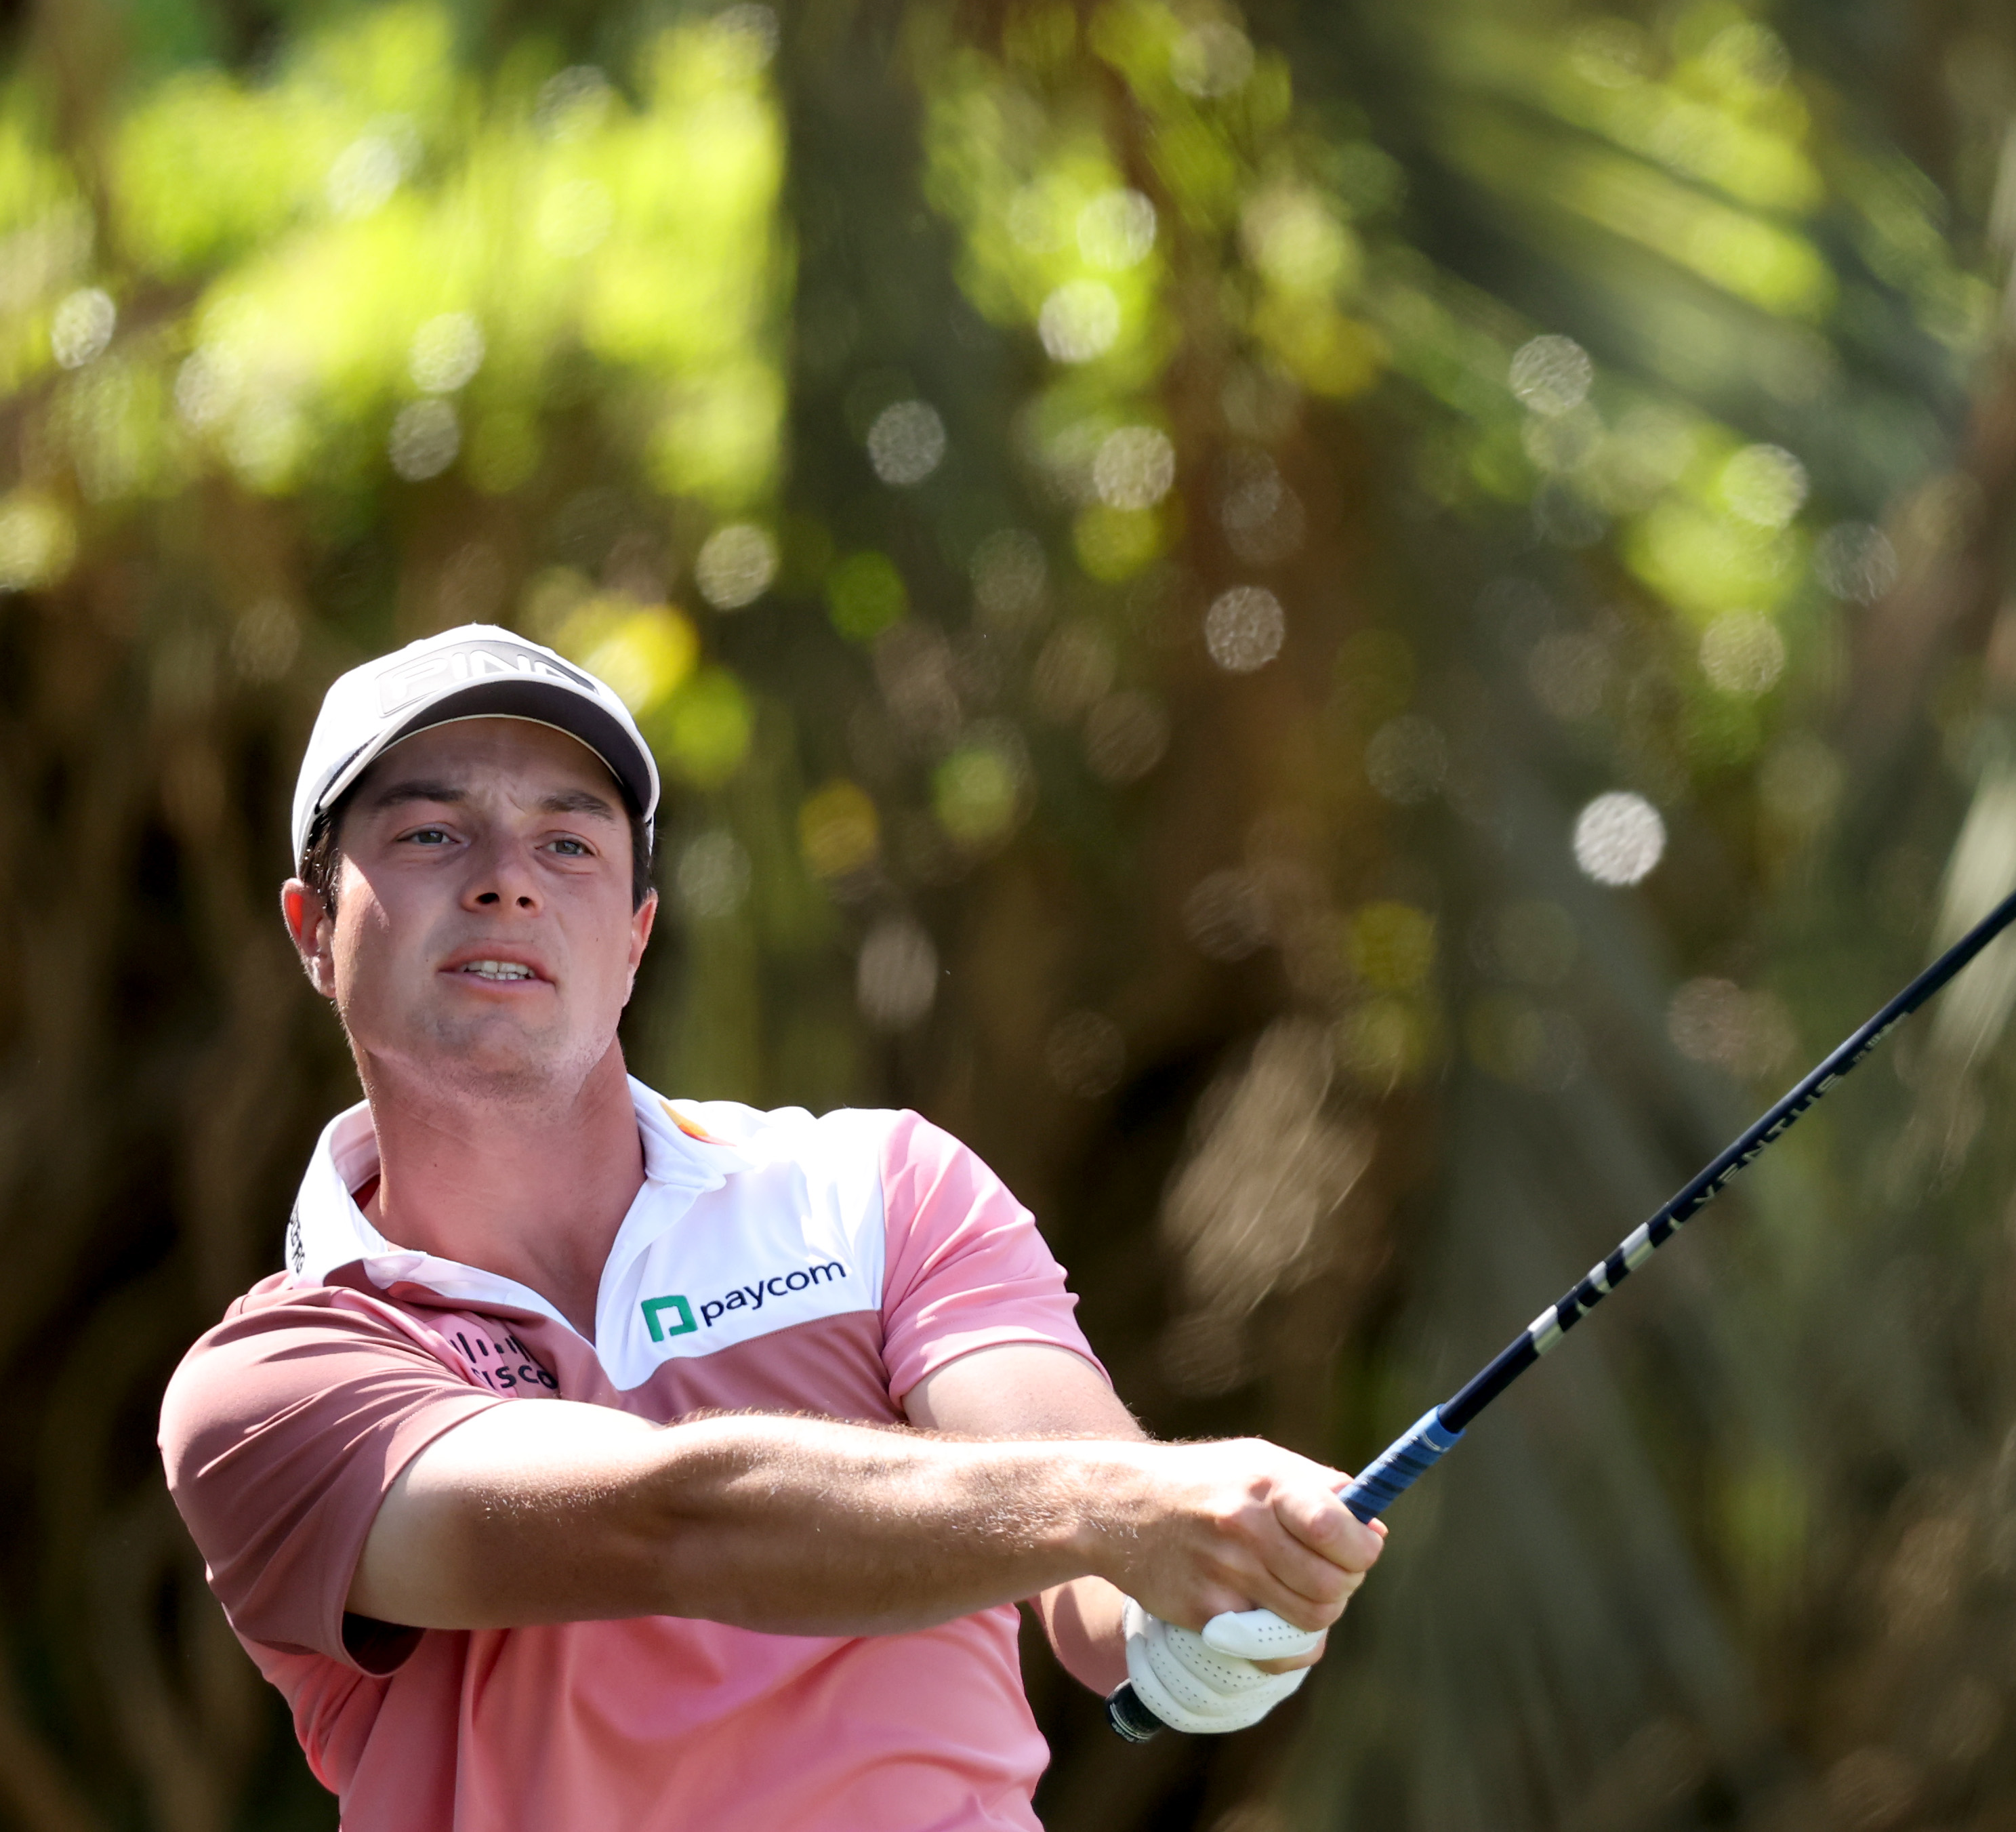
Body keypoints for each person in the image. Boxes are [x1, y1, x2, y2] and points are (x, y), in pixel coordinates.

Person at [157, 624, 1382, 1829]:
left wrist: (1230, 1594)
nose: (505, 877)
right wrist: (1118, 1508)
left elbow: (1105, 1603)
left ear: (634, 940)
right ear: (314, 929)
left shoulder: (877, 1187)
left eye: (569, 842)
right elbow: (676, 1527)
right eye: (430, 832)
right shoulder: (270, 1384)